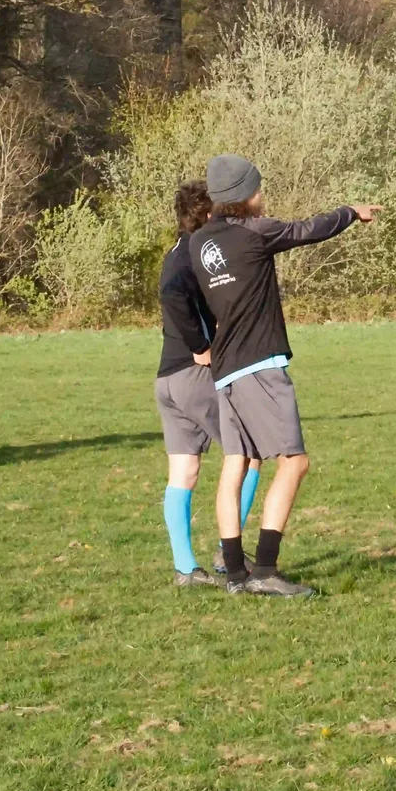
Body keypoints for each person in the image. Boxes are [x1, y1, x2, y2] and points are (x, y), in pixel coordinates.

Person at [187, 154, 381, 597]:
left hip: (226, 370)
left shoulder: (200, 242)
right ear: (243, 195)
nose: (262, 197)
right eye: (258, 190)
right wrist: (351, 212)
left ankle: (234, 573)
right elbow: (307, 229)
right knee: (294, 462)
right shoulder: (254, 232)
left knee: (236, 463)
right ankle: (266, 572)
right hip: (260, 366)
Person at [154, 181, 251, 587]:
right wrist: (200, 345)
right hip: (193, 376)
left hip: (167, 379)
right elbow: (170, 294)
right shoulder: (195, 251)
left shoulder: (176, 249)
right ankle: (229, 555)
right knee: (248, 453)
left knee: (184, 471)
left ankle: (184, 568)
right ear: (207, 214)